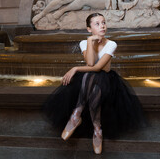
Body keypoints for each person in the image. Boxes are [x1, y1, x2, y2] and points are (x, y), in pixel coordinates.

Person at [43, 12, 147, 154]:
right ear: (89, 29)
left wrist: (75, 68)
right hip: (89, 81)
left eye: (103, 22)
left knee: (93, 76)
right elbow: (90, 62)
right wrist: (91, 41)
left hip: (108, 80)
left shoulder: (111, 44)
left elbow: (98, 67)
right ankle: (97, 128)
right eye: (97, 24)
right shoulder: (84, 43)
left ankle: (76, 115)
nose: (102, 26)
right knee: (91, 81)